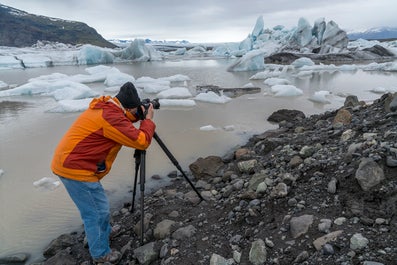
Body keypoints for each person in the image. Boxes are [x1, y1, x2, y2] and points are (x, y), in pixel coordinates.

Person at [51, 82, 155, 264]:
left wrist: (136, 116)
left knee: (96, 207)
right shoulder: (112, 117)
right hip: (75, 169)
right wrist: (148, 121)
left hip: (73, 163)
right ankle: (100, 253)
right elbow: (141, 141)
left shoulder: (109, 107)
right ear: (129, 107)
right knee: (97, 212)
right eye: (135, 109)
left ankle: (103, 232)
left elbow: (122, 124)